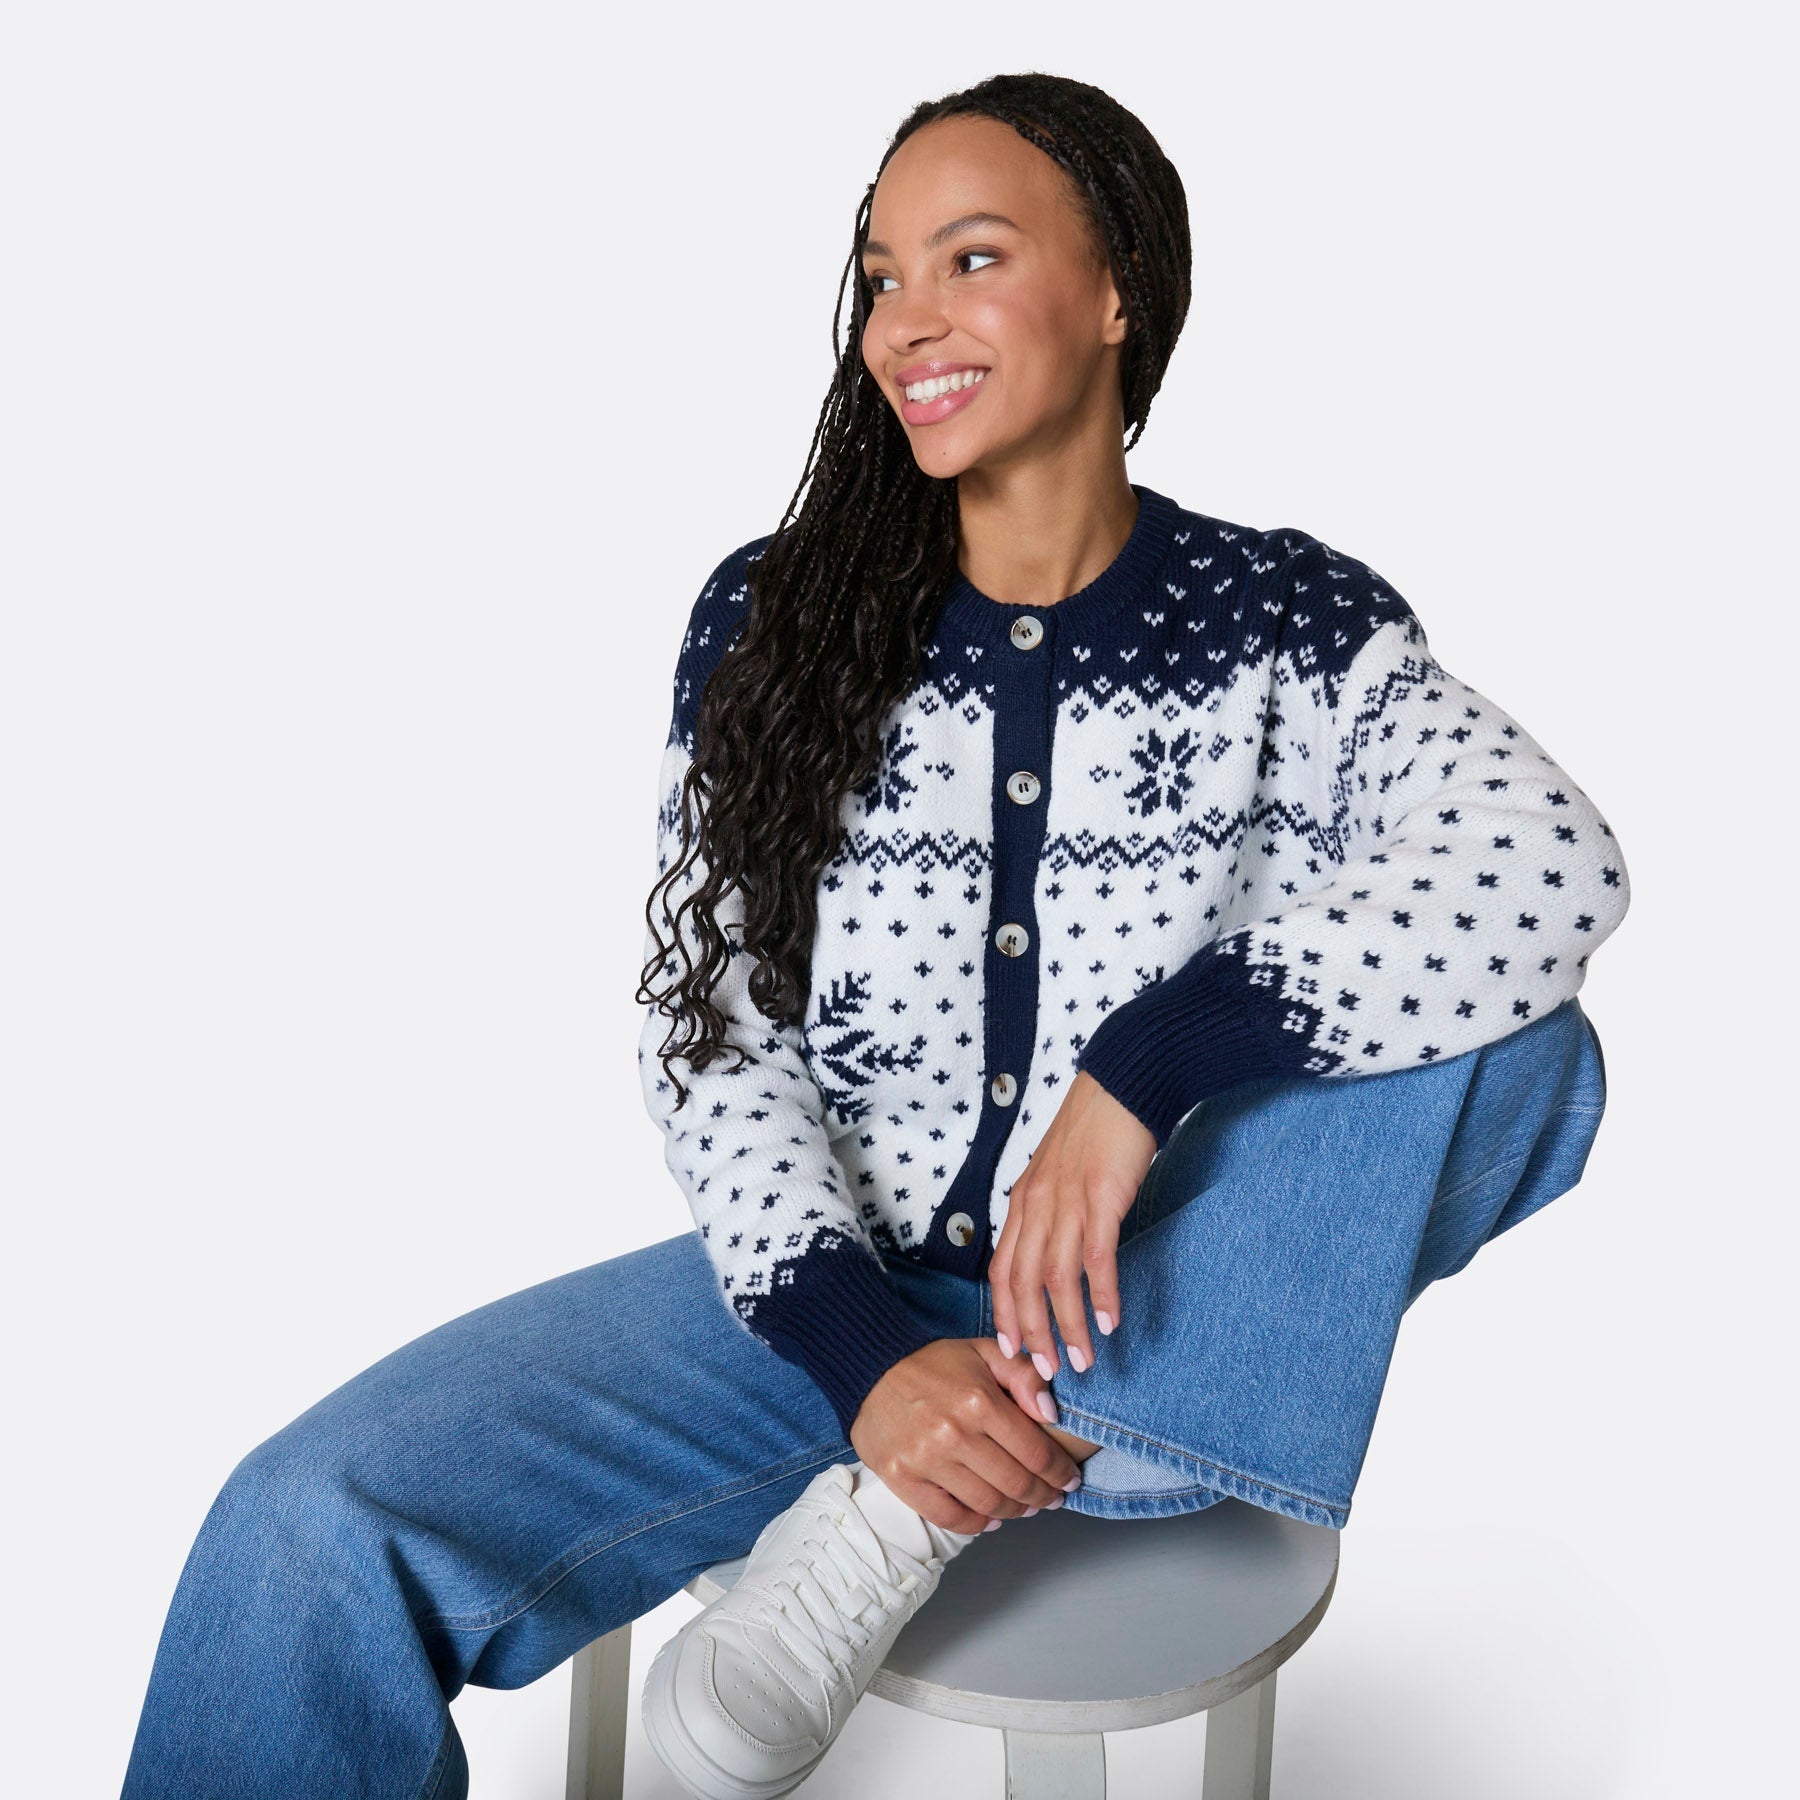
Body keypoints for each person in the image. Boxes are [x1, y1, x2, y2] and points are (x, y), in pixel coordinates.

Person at [120, 72, 1628, 1800]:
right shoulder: (778, 618)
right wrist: (865, 1350)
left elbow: (1551, 861)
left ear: (1120, 286)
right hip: (815, 1299)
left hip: (1147, 1304)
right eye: (881, 277)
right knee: (304, 1525)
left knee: (1530, 1048)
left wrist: (1139, 1072)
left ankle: (925, 1507)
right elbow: (712, 1032)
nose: (906, 322)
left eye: (970, 259)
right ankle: (941, 1450)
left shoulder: (1284, 622)